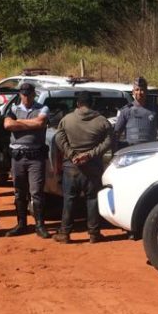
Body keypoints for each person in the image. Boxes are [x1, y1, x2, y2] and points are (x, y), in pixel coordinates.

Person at [54, 90, 112, 244]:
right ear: (92, 103)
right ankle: (94, 233)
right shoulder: (102, 121)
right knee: (92, 199)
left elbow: (58, 138)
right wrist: (90, 154)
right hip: (92, 167)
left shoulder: (67, 120)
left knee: (69, 199)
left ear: (78, 104)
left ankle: (65, 233)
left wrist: (72, 155)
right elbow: (109, 141)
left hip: (71, 167)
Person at [3, 82, 51, 238]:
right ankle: (21, 224)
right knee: (19, 192)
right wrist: (30, 125)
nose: (26, 97)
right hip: (18, 157)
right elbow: (8, 125)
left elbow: (40, 122)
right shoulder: (13, 109)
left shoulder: (42, 108)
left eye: (29, 94)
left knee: (36, 192)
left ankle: (39, 225)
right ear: (20, 94)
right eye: (23, 94)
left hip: (35, 156)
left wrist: (19, 123)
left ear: (33, 94)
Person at [114, 76, 158, 147]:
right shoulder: (126, 111)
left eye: (142, 90)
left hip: (150, 151)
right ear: (133, 92)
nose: (139, 92)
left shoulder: (155, 110)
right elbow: (116, 134)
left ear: (146, 91)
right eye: (137, 90)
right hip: (131, 152)